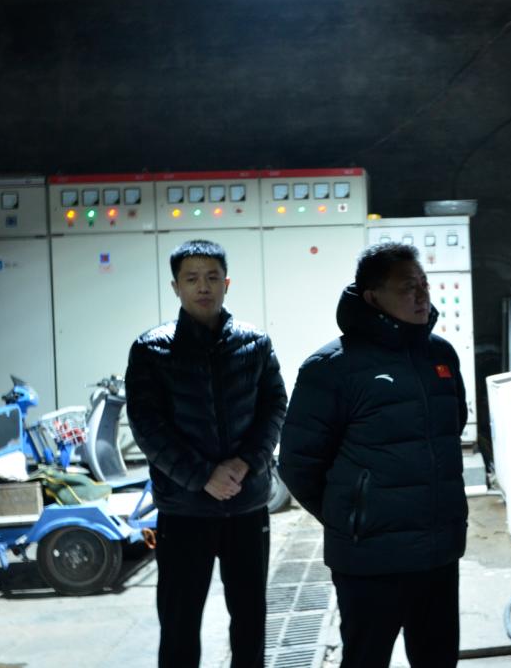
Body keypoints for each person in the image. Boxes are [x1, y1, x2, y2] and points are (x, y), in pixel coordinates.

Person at [279, 242, 468, 668]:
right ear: (372, 297)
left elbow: (450, 428)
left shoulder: (440, 355)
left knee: (439, 660)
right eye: (407, 287)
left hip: (438, 552)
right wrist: (351, 517)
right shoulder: (330, 367)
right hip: (369, 560)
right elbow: (297, 463)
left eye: (424, 284)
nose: (421, 295)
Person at [125, 239, 287, 668]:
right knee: (179, 623)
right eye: (192, 278)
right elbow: (147, 426)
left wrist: (245, 462)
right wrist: (202, 476)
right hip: (184, 510)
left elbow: (275, 407)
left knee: (250, 618)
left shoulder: (255, 344)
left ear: (226, 284)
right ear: (175, 286)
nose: (203, 287)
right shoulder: (152, 350)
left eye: (213, 277)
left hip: (246, 505)